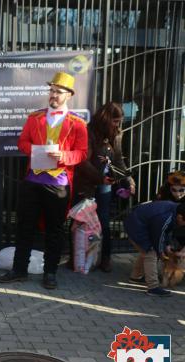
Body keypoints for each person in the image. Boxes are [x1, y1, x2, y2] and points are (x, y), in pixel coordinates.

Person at [0, 72, 88, 289]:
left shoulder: (77, 123)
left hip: (59, 184)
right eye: (52, 91)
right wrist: (35, 150)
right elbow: (22, 142)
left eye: (59, 92)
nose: (54, 95)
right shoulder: (34, 118)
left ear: (68, 95)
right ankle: (19, 269)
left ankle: (50, 272)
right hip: (32, 180)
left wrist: (64, 156)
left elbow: (82, 153)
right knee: (24, 227)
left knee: (54, 230)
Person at [73, 102, 135, 272]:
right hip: (87, 183)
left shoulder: (116, 134)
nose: (118, 125)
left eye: (120, 121)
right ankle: (79, 258)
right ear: (106, 119)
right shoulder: (88, 131)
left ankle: (105, 258)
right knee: (82, 221)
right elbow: (82, 161)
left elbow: (118, 159)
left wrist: (128, 178)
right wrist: (100, 178)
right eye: (115, 121)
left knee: (104, 221)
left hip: (105, 183)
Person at [124, 201, 185, 297]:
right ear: (180, 217)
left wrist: (167, 245)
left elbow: (166, 231)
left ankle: (135, 276)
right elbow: (158, 236)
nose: (183, 225)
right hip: (136, 227)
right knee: (150, 253)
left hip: (139, 223)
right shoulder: (165, 217)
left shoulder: (175, 210)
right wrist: (161, 252)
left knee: (145, 250)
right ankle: (153, 287)